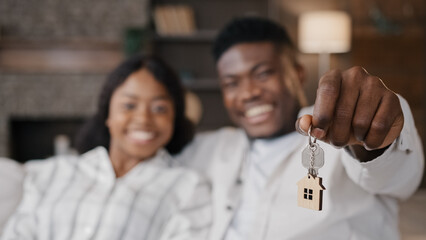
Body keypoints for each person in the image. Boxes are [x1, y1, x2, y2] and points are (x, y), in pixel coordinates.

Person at [177, 17, 424, 240]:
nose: (248, 93)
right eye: (231, 83)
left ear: (298, 73)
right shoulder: (212, 146)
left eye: (263, 74)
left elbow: (401, 177)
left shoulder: (338, 127)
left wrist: (374, 142)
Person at [2, 54, 211, 240]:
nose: (143, 119)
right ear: (108, 115)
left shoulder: (187, 186)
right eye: (129, 105)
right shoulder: (53, 172)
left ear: (174, 119)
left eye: (159, 108)